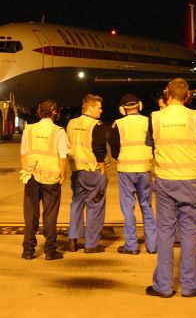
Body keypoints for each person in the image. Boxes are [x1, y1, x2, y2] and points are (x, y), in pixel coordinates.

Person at [145, 78, 196, 298]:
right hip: (191, 181)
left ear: (166, 93)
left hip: (165, 181)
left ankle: (163, 287)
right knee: (189, 234)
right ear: (188, 96)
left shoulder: (155, 118)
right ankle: (190, 285)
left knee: (166, 233)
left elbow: (151, 145)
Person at [19, 100, 70, 260]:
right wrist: (63, 175)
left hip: (32, 176)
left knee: (30, 214)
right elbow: (63, 156)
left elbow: (23, 154)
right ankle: (50, 250)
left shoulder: (29, 129)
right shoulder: (58, 131)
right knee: (50, 214)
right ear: (55, 112)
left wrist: (26, 172)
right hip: (51, 178)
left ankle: (28, 250)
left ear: (39, 112)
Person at [110, 93, 157, 255]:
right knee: (147, 206)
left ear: (122, 109)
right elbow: (154, 144)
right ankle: (152, 246)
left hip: (126, 170)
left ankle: (131, 245)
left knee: (128, 208)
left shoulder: (118, 124)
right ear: (140, 105)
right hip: (145, 168)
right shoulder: (148, 122)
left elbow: (114, 149)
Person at [66, 94, 109, 253]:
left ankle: (73, 239)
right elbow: (99, 149)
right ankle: (91, 244)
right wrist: (102, 169)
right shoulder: (96, 125)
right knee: (95, 206)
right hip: (92, 171)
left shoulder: (71, 123)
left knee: (76, 203)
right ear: (90, 108)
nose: (101, 110)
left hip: (77, 171)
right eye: (98, 107)